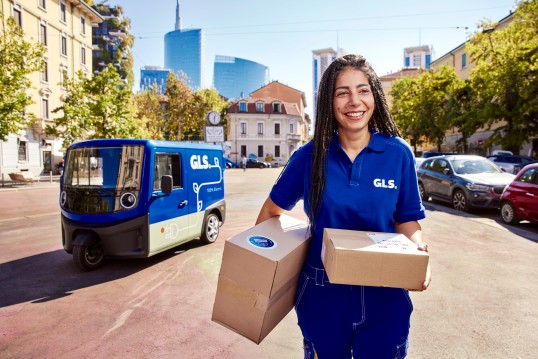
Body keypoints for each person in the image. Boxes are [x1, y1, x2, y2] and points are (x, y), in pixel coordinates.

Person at [255, 54, 431, 358]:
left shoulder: (397, 153)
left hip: (385, 292)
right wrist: (282, 259)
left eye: (363, 90)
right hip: (323, 293)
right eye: (342, 92)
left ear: (374, 96)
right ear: (329, 101)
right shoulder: (309, 156)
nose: (354, 101)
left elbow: (407, 219)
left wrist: (417, 250)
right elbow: (270, 215)